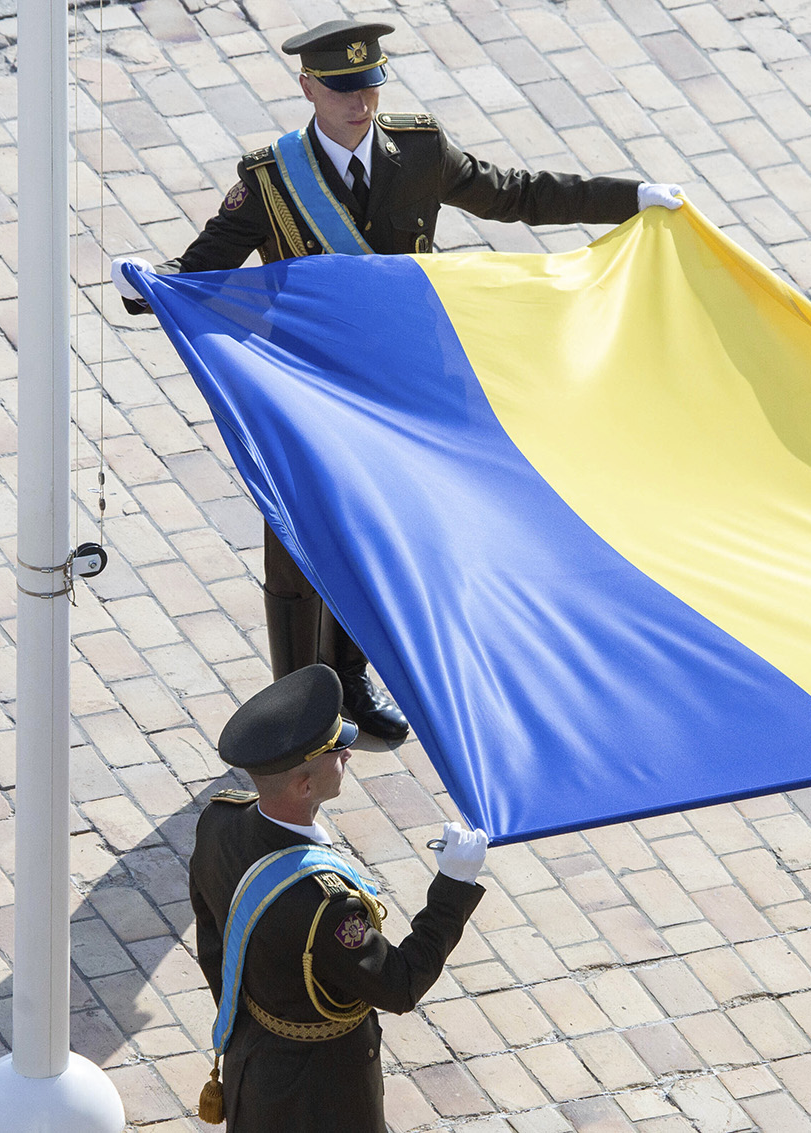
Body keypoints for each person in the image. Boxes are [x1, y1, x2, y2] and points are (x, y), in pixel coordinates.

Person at [113, 19, 685, 742]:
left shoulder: (418, 151)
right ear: (308, 89)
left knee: (381, 539)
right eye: (345, 89)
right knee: (297, 553)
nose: (363, 103)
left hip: (400, 389)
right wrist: (145, 287)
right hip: (312, 397)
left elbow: (517, 194)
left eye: (372, 84)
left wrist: (627, 198)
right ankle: (297, 708)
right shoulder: (268, 181)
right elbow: (203, 269)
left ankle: (351, 677)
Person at [188, 664, 490, 1131]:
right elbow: (400, 985)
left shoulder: (218, 822)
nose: (348, 753)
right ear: (304, 786)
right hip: (319, 1095)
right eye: (335, 751)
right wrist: (454, 886)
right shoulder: (327, 907)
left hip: (254, 1063)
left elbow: (213, 941)